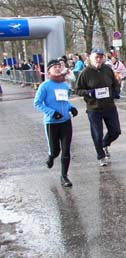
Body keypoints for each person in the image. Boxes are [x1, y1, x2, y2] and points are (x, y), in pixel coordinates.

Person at [34, 59, 78, 187]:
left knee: (66, 150)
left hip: (65, 122)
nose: (58, 69)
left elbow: (64, 101)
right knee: (55, 150)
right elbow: (37, 103)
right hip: (51, 123)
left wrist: (71, 107)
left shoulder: (64, 85)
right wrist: (52, 112)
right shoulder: (45, 86)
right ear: (49, 71)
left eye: (59, 67)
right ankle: (51, 156)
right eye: (55, 67)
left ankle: (64, 176)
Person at [75, 47, 121, 166]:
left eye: (101, 57)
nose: (99, 59)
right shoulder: (85, 73)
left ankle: (104, 144)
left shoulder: (107, 69)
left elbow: (115, 83)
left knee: (115, 131)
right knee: (97, 133)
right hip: (94, 108)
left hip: (109, 106)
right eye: (96, 57)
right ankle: (101, 156)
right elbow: (78, 90)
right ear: (91, 58)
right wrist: (89, 93)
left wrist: (116, 91)